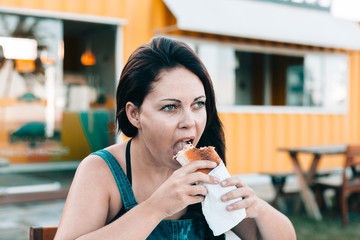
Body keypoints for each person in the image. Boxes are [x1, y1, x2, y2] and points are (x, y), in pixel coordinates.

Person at [55, 36, 296, 240]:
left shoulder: (205, 172)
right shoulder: (102, 171)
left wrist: (256, 207)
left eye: (198, 104)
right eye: (170, 107)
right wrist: (155, 208)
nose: (189, 121)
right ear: (134, 114)